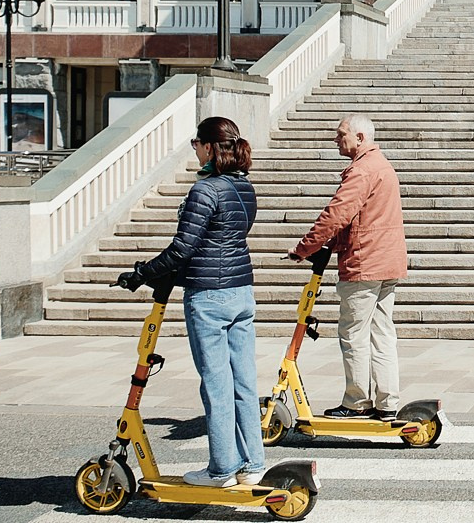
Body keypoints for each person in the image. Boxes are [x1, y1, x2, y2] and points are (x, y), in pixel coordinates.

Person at [117, 115, 262, 488]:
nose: (194, 149)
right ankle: (252, 464)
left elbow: (183, 248)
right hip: (242, 291)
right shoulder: (244, 188)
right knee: (243, 382)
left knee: (215, 383)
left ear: (211, 147)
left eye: (196, 143)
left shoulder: (206, 190)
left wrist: (141, 273)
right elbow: (221, 241)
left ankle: (222, 470)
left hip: (209, 297)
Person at [290, 112, 409, 418]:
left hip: (364, 262)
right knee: (382, 333)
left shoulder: (363, 170)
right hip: (386, 261)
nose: (336, 139)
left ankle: (357, 402)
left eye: (340, 134)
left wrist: (305, 248)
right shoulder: (383, 166)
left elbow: (336, 214)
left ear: (360, 137)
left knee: (354, 333)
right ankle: (387, 402)